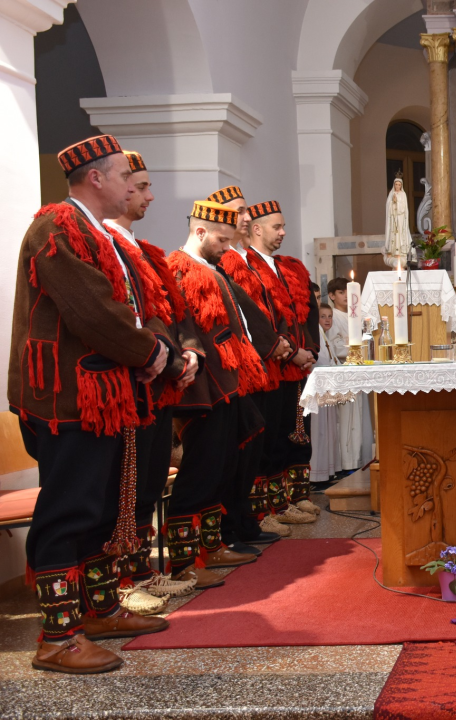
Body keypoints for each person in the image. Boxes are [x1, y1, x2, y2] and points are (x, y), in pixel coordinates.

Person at [12, 135, 173, 673]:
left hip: (101, 392)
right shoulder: (57, 225)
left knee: (103, 505)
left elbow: (129, 305)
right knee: (70, 506)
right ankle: (57, 637)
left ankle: (99, 607)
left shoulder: (95, 231)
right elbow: (92, 312)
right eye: (126, 177)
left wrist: (153, 348)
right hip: (67, 395)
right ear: (96, 179)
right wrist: (152, 353)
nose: (134, 187)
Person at [104, 151, 201, 614]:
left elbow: (165, 312)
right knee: (126, 486)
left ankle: (143, 570)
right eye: (138, 185)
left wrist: (181, 355)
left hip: (154, 384)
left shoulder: (139, 250)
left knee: (146, 484)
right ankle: (123, 581)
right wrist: (157, 356)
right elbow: (118, 317)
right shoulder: (102, 242)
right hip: (126, 385)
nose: (148, 195)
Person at [165, 201, 277, 589]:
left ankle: (210, 545)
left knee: (221, 467)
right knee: (200, 472)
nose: (226, 248)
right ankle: (183, 562)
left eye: (230, 241)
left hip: (227, 383)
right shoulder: (179, 267)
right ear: (199, 232)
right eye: (220, 240)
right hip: (203, 389)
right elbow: (186, 329)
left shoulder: (211, 268)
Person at [215, 186, 297, 541]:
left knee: (265, 443)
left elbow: (268, 310)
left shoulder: (246, 257)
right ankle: (238, 523)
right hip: (243, 367)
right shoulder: (225, 261)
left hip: (266, 361)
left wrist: (283, 344)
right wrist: (274, 346)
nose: (246, 218)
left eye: (247, 212)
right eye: (240, 211)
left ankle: (247, 520)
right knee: (245, 450)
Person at [247, 200, 322, 518]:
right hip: (273, 368)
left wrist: (311, 353)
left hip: (300, 368)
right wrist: (292, 354)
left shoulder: (291, 266)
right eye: (277, 227)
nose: (283, 232)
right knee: (274, 437)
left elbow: (310, 314)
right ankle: (272, 506)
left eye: (283, 226)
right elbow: (261, 320)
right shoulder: (245, 266)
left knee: (300, 433)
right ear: (256, 228)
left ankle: (297, 495)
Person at [326, 276, 368, 474]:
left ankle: (359, 458)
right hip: (342, 371)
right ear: (332, 296)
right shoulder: (331, 317)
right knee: (346, 420)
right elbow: (334, 346)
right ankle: (347, 463)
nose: (346, 296)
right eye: (341, 293)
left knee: (358, 419)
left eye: (349, 292)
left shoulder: (357, 315)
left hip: (358, 370)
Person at [310, 303, 342, 484]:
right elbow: (320, 359)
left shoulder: (324, 335)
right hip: (317, 384)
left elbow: (330, 358)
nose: (327, 319)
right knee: (319, 431)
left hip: (326, 383)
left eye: (330, 316)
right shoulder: (316, 332)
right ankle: (317, 474)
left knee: (329, 430)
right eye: (323, 316)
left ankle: (327, 471)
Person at [384, 176, 411, 267]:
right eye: (396, 184)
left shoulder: (403, 194)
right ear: (394, 185)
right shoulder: (391, 194)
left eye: (399, 185)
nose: (397, 186)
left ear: (401, 186)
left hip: (400, 218)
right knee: (393, 234)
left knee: (400, 234)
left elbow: (404, 207)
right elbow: (388, 207)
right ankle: (391, 250)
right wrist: (392, 202)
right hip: (393, 218)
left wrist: (397, 203)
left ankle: (400, 251)